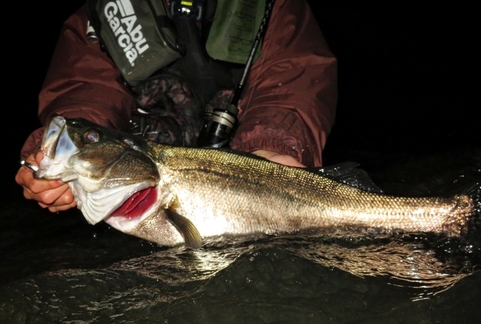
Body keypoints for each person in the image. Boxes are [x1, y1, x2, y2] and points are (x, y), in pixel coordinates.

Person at [15, 0, 338, 213]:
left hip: (243, 164)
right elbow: (86, 87)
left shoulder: (275, 5)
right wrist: (63, 154)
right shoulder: (101, 11)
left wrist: (273, 146)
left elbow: (292, 73)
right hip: (140, 178)